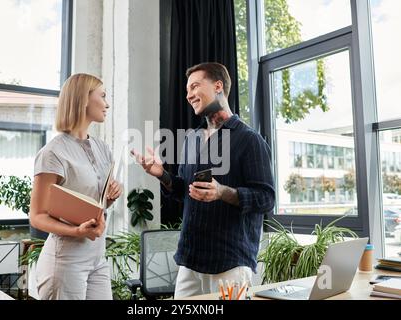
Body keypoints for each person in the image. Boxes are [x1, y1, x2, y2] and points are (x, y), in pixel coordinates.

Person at [132, 62, 275, 299]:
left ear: (218, 86)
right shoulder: (192, 138)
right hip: (190, 261)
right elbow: (184, 190)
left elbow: (266, 198)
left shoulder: (250, 140)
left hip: (229, 264)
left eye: (195, 86)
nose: (188, 95)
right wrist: (162, 174)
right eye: (187, 90)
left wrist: (222, 192)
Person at [30, 73, 122, 300]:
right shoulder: (53, 153)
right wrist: (76, 231)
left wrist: (109, 197)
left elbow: (94, 203)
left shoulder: (102, 148)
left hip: (98, 258)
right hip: (65, 260)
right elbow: (37, 216)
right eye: (102, 96)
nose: (107, 103)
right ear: (83, 99)